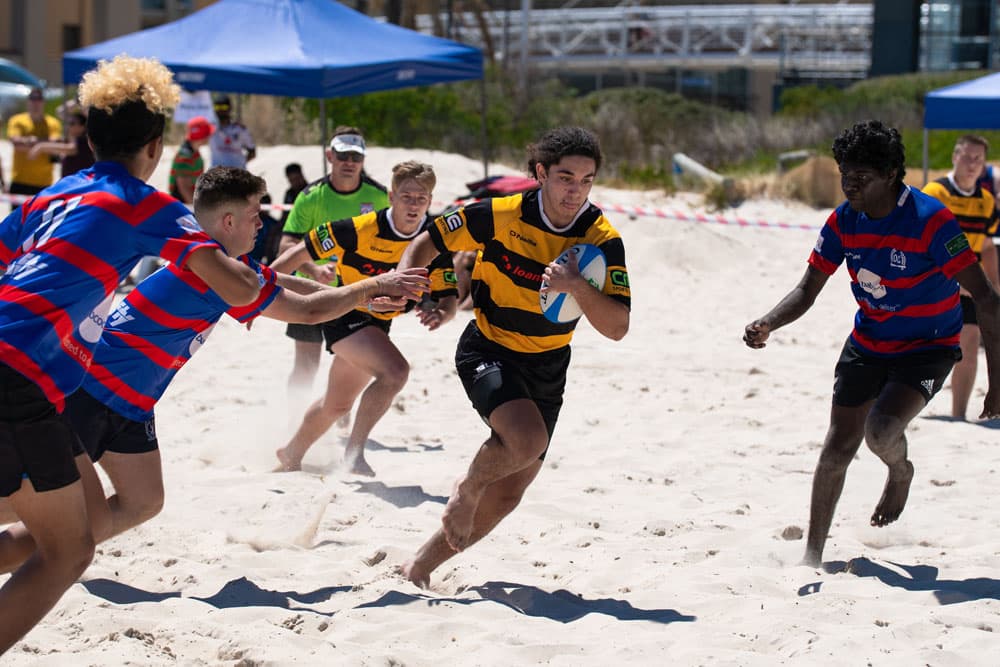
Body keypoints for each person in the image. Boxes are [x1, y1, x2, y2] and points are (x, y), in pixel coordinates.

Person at [0, 167, 429, 574]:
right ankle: (44, 553)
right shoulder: (214, 274)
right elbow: (309, 310)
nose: (261, 224)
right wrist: (373, 285)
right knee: (47, 518)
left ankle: (55, 549)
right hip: (92, 397)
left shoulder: (221, 264)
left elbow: (294, 285)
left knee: (144, 501)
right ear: (227, 221)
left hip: (133, 406)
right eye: (254, 215)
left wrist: (359, 298)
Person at [0, 55, 263, 655]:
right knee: (68, 550)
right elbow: (240, 290)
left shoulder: (51, 197)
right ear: (156, 146)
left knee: (76, 522)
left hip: (31, 381)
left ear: (88, 137)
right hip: (21, 377)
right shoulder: (150, 206)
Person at [743, 120, 1000, 568]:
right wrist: (768, 322)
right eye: (844, 174)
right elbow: (808, 289)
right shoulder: (844, 218)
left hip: (929, 344)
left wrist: (996, 384)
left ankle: (900, 472)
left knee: (880, 430)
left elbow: (988, 299)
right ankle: (812, 555)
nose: (849, 185)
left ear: (891, 175)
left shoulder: (930, 220)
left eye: (860, 177)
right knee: (838, 445)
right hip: (869, 341)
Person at [394, 127, 631, 588]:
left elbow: (618, 327)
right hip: (488, 346)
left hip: (548, 364)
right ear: (541, 173)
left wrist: (578, 286)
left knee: (510, 492)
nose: (575, 190)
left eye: (586, 180)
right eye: (565, 177)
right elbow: (429, 241)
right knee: (521, 443)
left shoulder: (602, 239)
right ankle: (466, 488)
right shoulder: (499, 215)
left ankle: (420, 566)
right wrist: (412, 286)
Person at [271, 160, 457, 476]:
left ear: (430, 200)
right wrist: (254, 294)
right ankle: (353, 455)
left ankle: (291, 453)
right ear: (391, 196)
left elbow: (450, 297)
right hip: (344, 312)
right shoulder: (355, 229)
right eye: (407, 196)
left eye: (422, 198)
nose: (414, 205)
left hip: (378, 324)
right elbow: (289, 260)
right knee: (395, 372)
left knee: (337, 405)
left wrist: (441, 314)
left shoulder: (431, 240)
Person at [278, 127, 389, 402]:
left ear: (363, 160)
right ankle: (293, 419)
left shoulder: (379, 196)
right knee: (306, 365)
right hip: (312, 289)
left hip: (357, 292)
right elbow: (285, 246)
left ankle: (335, 416)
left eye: (355, 156)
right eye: (343, 155)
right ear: (330, 156)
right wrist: (315, 270)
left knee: (350, 366)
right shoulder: (310, 196)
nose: (349, 162)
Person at [921, 135, 1000, 420]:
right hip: (933, 282)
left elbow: (988, 246)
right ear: (955, 157)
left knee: (970, 337)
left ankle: (958, 416)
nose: (972, 164)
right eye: (967, 157)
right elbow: (921, 243)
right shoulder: (934, 193)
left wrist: (992, 287)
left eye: (978, 159)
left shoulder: (987, 201)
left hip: (970, 284)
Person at [5, 87, 62, 206]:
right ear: (28, 101)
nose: (36, 102)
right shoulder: (17, 120)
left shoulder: (52, 123)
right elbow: (16, 144)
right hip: (20, 181)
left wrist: (32, 141)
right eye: (33, 98)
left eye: (39, 99)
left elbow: (56, 144)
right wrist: (45, 145)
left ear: (43, 102)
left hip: (44, 183)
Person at [27, 106, 95, 178]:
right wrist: (76, 103)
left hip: (80, 185)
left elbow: (72, 149)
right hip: (71, 184)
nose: (68, 125)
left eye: (72, 123)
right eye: (68, 123)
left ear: (82, 127)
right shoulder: (68, 140)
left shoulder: (84, 141)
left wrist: (41, 147)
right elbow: (60, 112)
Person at [169, 115, 215, 205]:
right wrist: (198, 211)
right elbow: (184, 188)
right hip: (183, 206)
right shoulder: (185, 157)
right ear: (202, 136)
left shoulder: (194, 152)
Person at [209, 95, 256, 169]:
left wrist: (240, 164)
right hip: (216, 174)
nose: (220, 111)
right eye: (217, 107)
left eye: (224, 107)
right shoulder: (209, 129)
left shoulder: (240, 130)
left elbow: (252, 152)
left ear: (230, 108)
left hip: (237, 174)